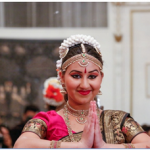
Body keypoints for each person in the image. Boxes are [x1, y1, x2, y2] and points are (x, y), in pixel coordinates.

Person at [14, 34, 150, 148]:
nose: (84, 85)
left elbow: (147, 144)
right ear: (61, 76)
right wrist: (80, 145)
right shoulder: (48, 120)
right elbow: (21, 145)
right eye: (76, 76)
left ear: (101, 78)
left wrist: (104, 146)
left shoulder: (117, 120)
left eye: (92, 76)